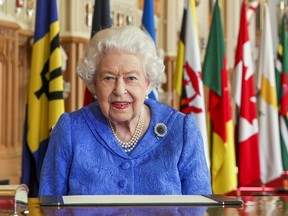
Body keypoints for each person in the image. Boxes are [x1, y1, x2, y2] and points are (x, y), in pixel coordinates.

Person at [39, 25, 212, 196]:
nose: (120, 90)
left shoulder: (181, 131)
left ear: (148, 83)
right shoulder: (70, 130)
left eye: (131, 78)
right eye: (109, 78)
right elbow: (49, 207)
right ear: (93, 84)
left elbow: (201, 209)